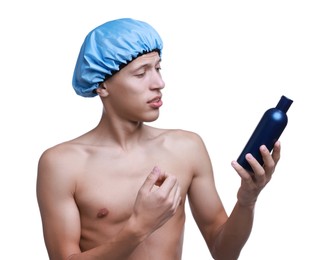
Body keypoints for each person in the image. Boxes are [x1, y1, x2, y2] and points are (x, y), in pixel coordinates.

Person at [36, 18, 281, 260]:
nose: (159, 83)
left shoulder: (187, 148)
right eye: (141, 73)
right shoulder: (62, 164)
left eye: (158, 68)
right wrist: (139, 227)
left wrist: (246, 200)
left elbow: (223, 252)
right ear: (102, 85)